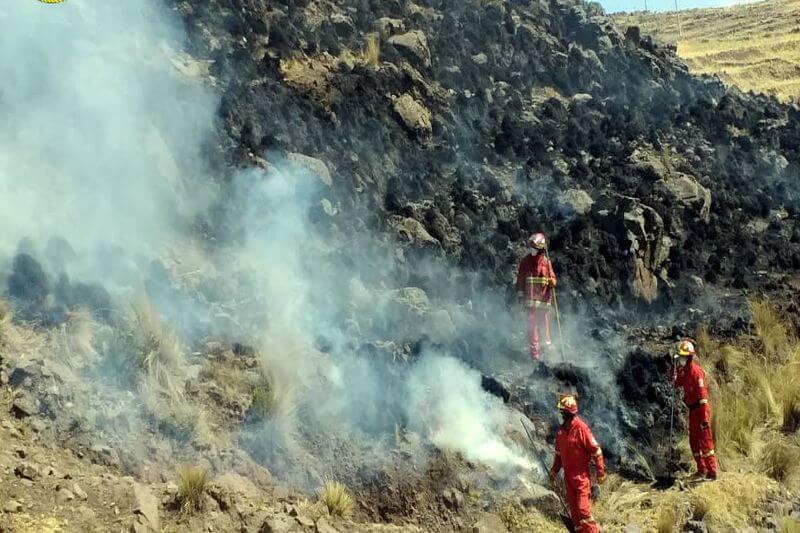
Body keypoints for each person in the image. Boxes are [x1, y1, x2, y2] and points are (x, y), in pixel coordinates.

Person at [549, 394, 605, 533]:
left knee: (583, 512)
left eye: (562, 411)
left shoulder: (581, 428)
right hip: (568, 479)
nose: (560, 414)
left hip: (581, 478)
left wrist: (600, 472)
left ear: (568, 412)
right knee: (575, 518)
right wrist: (553, 472)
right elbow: (558, 457)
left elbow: (596, 450)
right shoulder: (561, 432)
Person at [673, 338, 718, 480]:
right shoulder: (684, 371)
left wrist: (704, 419)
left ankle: (712, 471)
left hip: (701, 409)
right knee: (693, 441)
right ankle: (701, 469)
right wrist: (674, 370)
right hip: (692, 410)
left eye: (682, 356)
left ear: (689, 357)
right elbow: (676, 383)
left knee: (705, 441)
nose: (680, 359)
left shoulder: (696, 372)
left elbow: (703, 398)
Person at [515, 232, 557, 360]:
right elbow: (520, 281)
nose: (531, 250)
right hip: (531, 303)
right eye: (531, 247)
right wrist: (521, 298)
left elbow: (553, 279)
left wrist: (552, 282)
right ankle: (535, 357)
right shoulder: (525, 262)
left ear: (541, 249)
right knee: (532, 330)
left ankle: (549, 354)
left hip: (543, 302)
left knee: (545, 328)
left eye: (534, 248)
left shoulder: (546, 262)